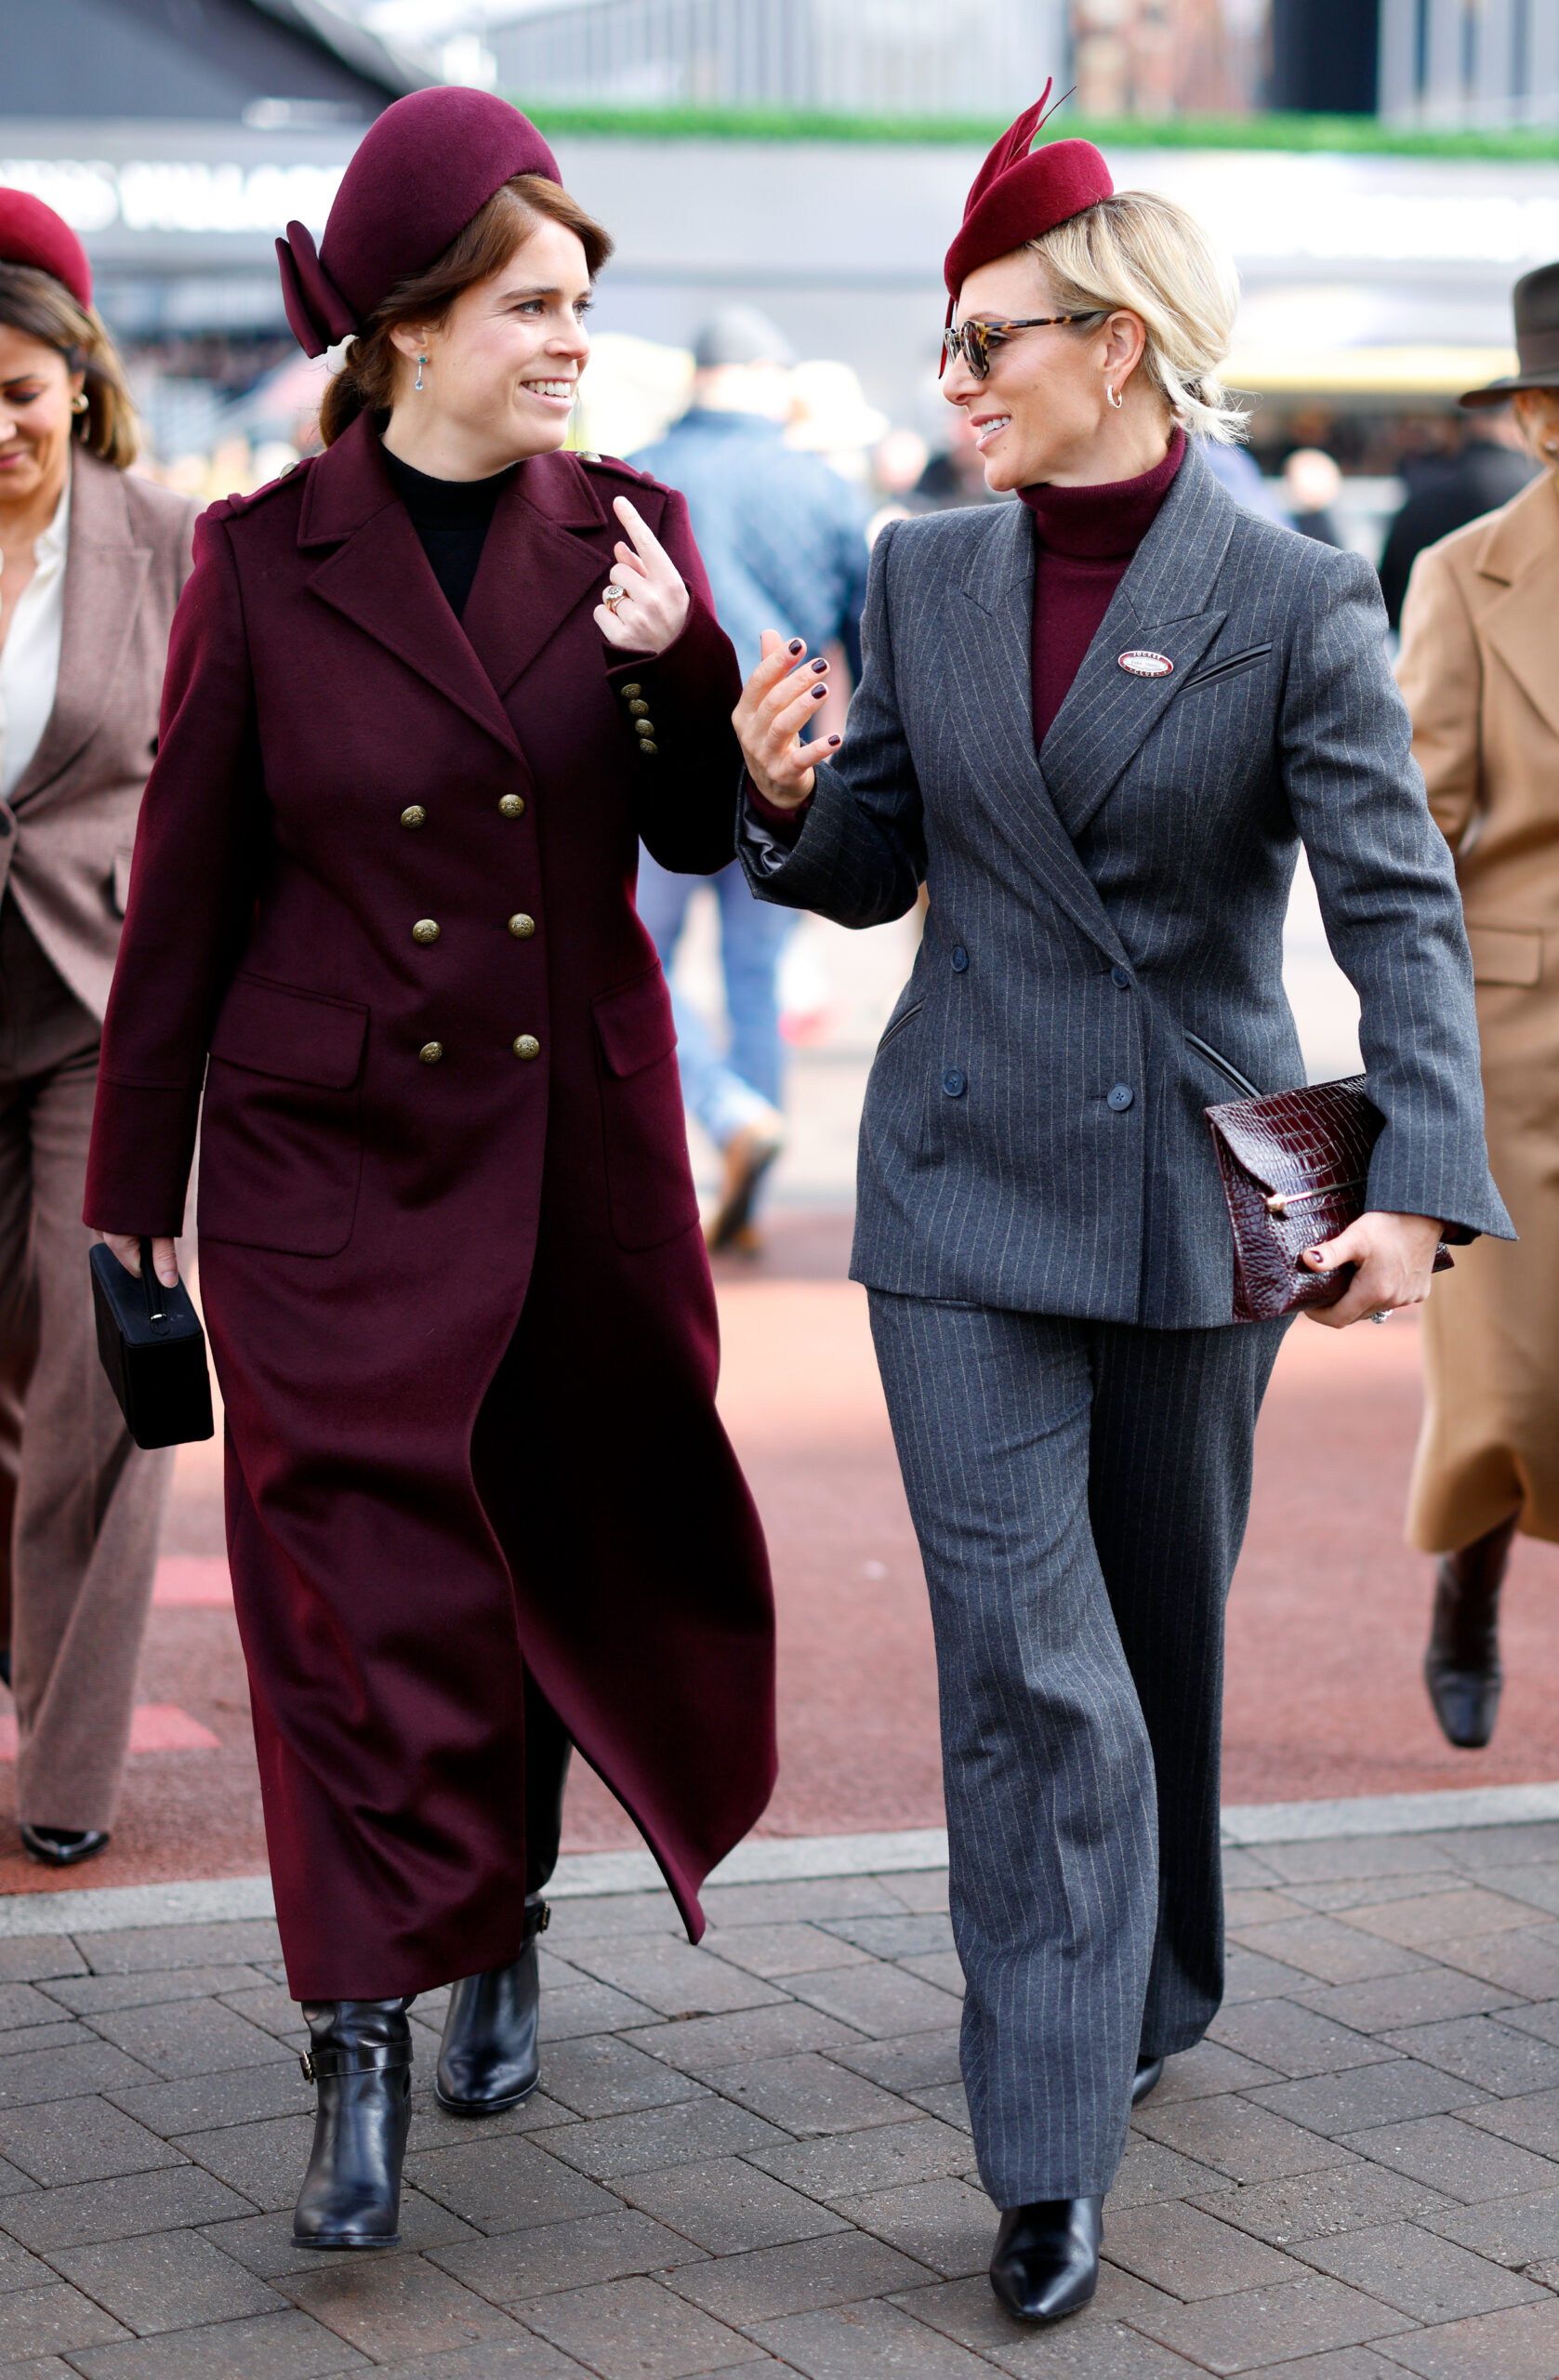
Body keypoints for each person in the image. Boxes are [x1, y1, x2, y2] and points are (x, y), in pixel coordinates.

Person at [733, 95, 1506, 2327]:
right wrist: (779, 802)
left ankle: (1147, 1975)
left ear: (1122, 342)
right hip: (955, 1186)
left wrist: (1416, 1189)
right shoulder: (919, 567)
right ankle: (1046, 2135)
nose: (952, 383)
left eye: (989, 343)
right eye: (943, 346)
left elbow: (1394, 909)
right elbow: (873, 854)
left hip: (1197, 1199)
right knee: (1029, 1667)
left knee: (1158, 1628)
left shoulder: (1284, 596)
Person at [83, 89, 774, 2252]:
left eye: (585, 301)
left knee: (538, 1555)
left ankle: (506, 1913)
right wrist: (134, 1195)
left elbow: (689, 838)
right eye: (533, 303)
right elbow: (181, 895)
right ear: (412, 324)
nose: (573, 337)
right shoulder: (259, 553)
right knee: (344, 1598)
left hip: (575, 1164)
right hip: (327, 1172)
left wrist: (682, 674)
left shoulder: (633, 530)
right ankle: (355, 2036)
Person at [0, 192, 198, 1868]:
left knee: (101, 1389)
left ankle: (64, 1771)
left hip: (100, 1018)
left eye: (18, 386)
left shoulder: (169, 542)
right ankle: (21, 1610)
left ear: (78, 379)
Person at [1399, 261, 1559, 1750]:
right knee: (1515, 1384)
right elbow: (1413, 834)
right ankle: (1469, 1586)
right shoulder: (1464, 574)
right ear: (1536, 420)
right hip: (1520, 1051)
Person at [630, 307, 869, 1252]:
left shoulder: (636, 474)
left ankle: (726, 1116)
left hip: (657, 757)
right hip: (787, 758)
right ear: (770, 377)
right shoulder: (821, 483)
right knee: (756, 972)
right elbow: (865, 631)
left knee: (630, 956)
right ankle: (751, 1193)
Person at [1378, 411, 1535, 629]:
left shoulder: (1428, 484)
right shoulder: (1536, 488)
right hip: (1516, 633)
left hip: (1427, 627)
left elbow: (1389, 583)